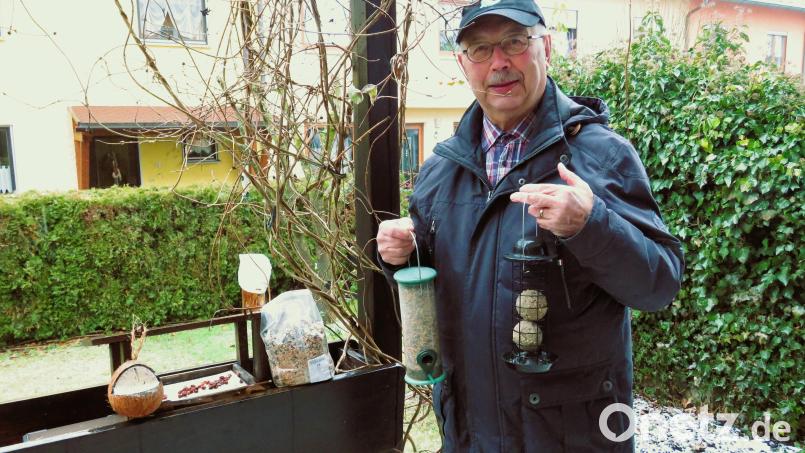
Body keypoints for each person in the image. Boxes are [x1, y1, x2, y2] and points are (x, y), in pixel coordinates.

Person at [376, 0, 684, 451]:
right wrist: (402, 256)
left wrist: (590, 224)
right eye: (480, 49)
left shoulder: (601, 156)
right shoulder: (440, 172)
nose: (498, 62)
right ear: (463, 63)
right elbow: (439, 288)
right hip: (468, 435)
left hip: (568, 438)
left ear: (547, 48)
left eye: (515, 42)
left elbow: (659, 285)